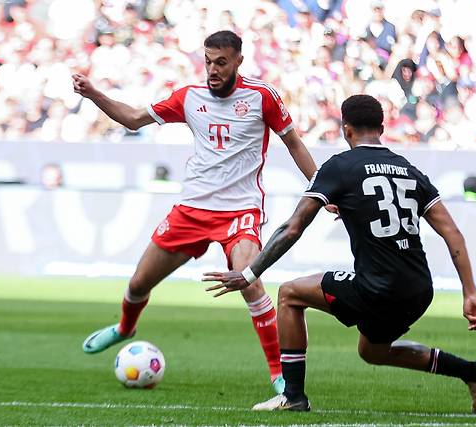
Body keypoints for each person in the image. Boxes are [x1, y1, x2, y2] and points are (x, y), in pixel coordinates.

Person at [204, 94, 476, 413]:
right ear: (382, 128)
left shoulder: (340, 167)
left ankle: (292, 396)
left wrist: (248, 274)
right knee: (372, 351)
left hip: (377, 288)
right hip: (418, 289)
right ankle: (473, 372)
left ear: (346, 130)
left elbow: (292, 227)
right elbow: (452, 232)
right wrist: (469, 292)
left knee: (290, 294)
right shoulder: (408, 169)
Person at [73, 30, 318, 394]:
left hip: (240, 210)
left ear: (238, 61)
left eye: (221, 62)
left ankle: (277, 374)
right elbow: (134, 119)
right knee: (140, 283)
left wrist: (320, 186)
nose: (213, 70)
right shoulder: (190, 98)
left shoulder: (262, 97)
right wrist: (93, 93)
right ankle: (125, 328)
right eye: (208, 62)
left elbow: (294, 143)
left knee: (249, 281)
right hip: (191, 209)